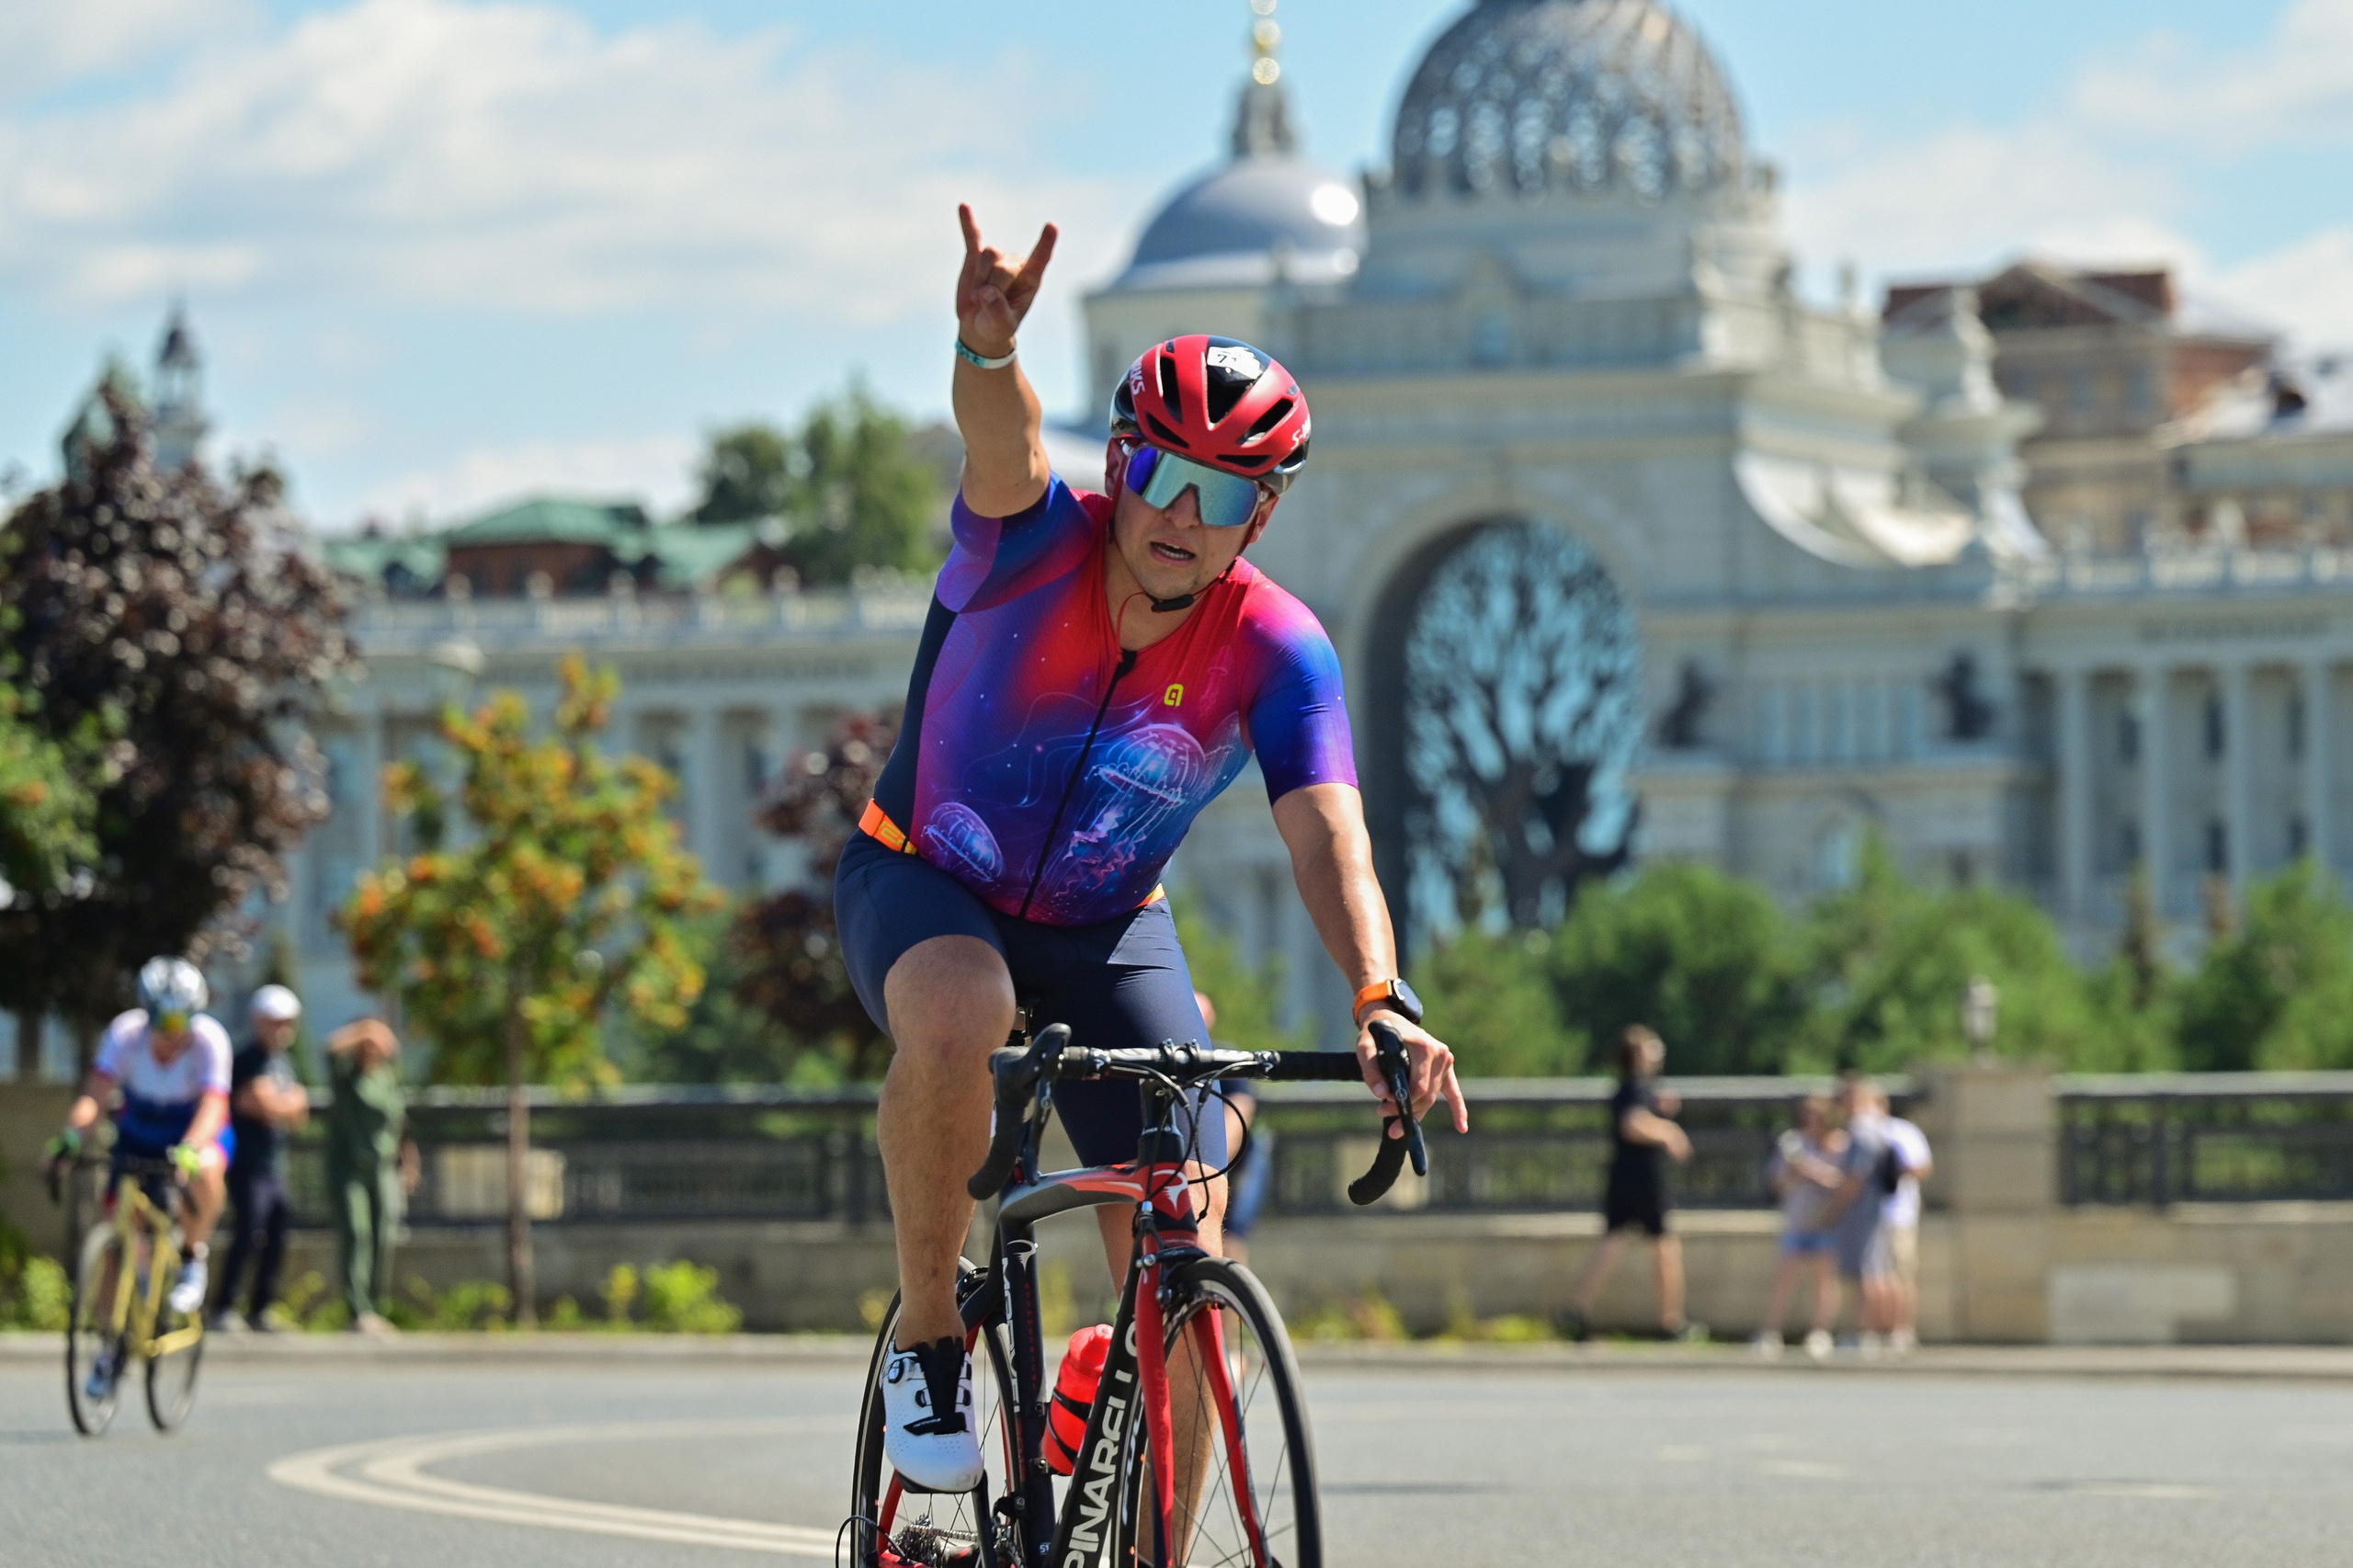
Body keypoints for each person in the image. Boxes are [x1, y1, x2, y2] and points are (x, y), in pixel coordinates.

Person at [834, 204, 1466, 1493]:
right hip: (923, 878)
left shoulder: (1277, 646)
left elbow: (1327, 831)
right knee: (962, 1002)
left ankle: (1129, 1465)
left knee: (1187, 1241)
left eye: (1223, 490)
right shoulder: (1029, 541)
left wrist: (1379, 995)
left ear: (1262, 513)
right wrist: (989, 352)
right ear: (1119, 464)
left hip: (1109, 920)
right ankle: (935, 1342)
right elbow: (999, 443)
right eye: (1163, 472)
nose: (1184, 511)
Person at [43, 958, 233, 1395]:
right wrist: (71, 1138)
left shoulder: (210, 1041)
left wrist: (189, 1148)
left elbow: (214, 1105)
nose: (170, 1031)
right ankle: (111, 1347)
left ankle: (191, 1256)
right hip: (140, 1129)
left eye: (179, 1019)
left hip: (192, 1126)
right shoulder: (126, 1034)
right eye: (160, 1019)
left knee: (206, 1170)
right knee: (116, 1242)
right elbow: (97, 1093)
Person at [1562, 1026, 1697, 1342]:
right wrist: (1669, 1132)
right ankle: (1671, 1322)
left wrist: (1659, 1111)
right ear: (1637, 1054)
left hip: (1623, 1177)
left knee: (1612, 1243)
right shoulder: (1636, 1087)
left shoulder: (1634, 1089)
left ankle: (1577, 1309)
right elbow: (1632, 1125)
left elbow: (1637, 1114)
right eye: (1652, 1048)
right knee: (1665, 1247)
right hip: (1643, 1180)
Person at [213, 984, 310, 1332]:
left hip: (274, 1165)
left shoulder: (283, 1063)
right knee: (248, 1230)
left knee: (278, 1230)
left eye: (287, 1022)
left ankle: (261, 1308)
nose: (282, 1029)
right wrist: (278, 1104)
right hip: (246, 1163)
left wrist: (276, 1105)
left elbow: (299, 1111)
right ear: (259, 1022)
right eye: (275, 1022)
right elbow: (255, 1103)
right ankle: (225, 1306)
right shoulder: (247, 1059)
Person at [324, 1017, 415, 1336]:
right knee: (357, 1232)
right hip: (349, 1167)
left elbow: (399, 1124)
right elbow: (330, 1048)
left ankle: (377, 1308)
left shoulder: (389, 1077)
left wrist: (409, 1162)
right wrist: (365, 1029)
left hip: (384, 1169)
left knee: (382, 1236)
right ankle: (357, 1310)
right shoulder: (347, 1077)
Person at [1752, 1095, 1846, 1362]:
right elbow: (1778, 1184)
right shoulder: (1793, 1143)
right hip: (1797, 1220)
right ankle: (1771, 1332)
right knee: (1784, 1278)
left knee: (1825, 1280)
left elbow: (1842, 1182)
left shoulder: (1840, 1144)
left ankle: (1820, 1333)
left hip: (1827, 1221)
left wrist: (1812, 1169)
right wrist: (1795, 1170)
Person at [1820, 1073, 1894, 1354]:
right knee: (1876, 1270)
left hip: (1862, 1210)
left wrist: (1834, 1207)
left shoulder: (1862, 1131)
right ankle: (1877, 1332)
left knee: (1866, 1272)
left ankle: (1865, 1332)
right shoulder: (1876, 1128)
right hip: (1874, 1209)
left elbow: (1856, 1176)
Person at [1205, 991, 1273, 1267]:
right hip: (1199, 1159)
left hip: (1240, 1160)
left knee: (1231, 1235)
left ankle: (1233, 1307)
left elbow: (1238, 1116)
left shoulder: (1225, 1059)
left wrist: (1209, 1166)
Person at [1878, 1094, 1933, 1354]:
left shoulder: (1901, 1132)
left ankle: (1901, 1330)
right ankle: (1875, 1330)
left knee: (1900, 1274)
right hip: (1866, 1218)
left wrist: (1893, 1169)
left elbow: (1922, 1168)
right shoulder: (1855, 1134)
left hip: (1898, 1215)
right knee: (1873, 1277)